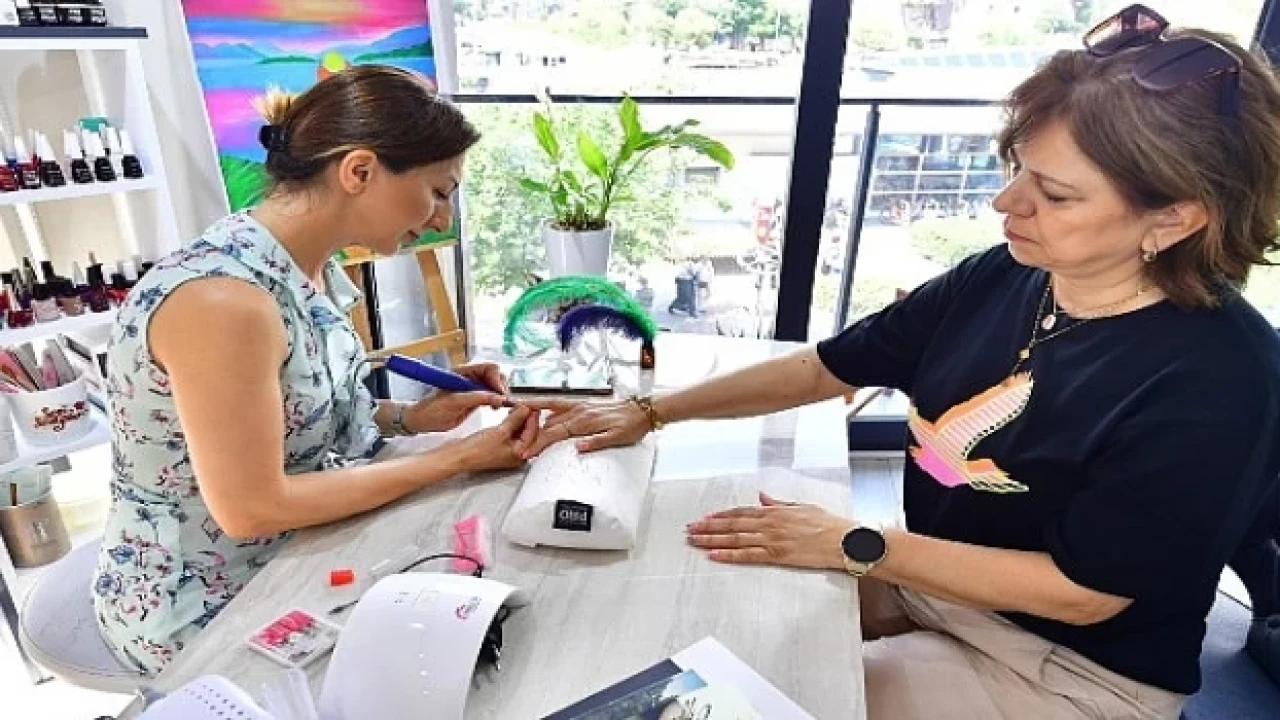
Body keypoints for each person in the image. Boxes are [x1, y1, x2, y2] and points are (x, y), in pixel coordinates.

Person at [522, 7, 1280, 718]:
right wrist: (650, 411)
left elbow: (1085, 594)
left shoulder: (1219, 380)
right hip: (935, 586)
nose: (1007, 202)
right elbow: (827, 367)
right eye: (1018, 168)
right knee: (696, 607)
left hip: (1068, 667)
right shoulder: (1007, 274)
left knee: (764, 693)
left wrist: (851, 542)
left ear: (1172, 219)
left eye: (1053, 194)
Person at [93, 65, 540, 676]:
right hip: (205, 605)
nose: (443, 219)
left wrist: (411, 418)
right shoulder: (222, 303)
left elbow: (297, 414)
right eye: (439, 192)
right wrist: (456, 458)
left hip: (299, 551)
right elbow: (253, 507)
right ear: (359, 171)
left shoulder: (309, 266)